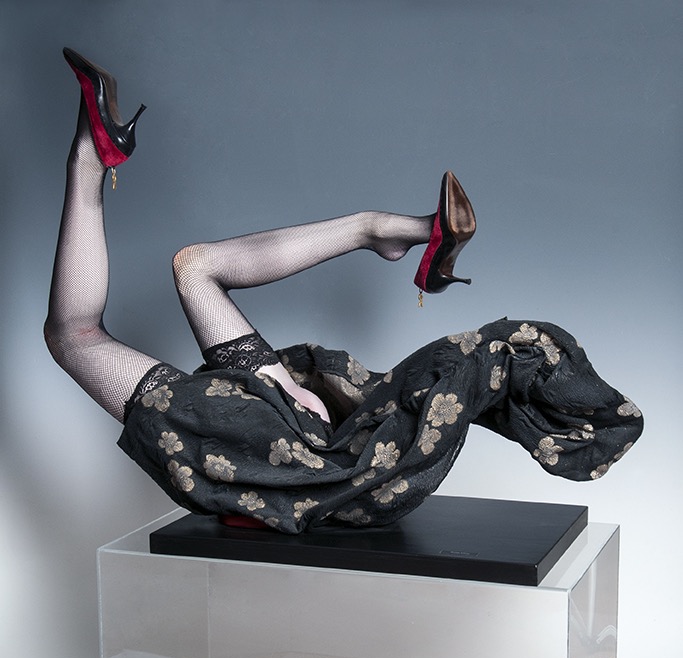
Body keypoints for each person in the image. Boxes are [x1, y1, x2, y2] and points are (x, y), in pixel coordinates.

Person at [45, 48, 643, 534]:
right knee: (182, 274)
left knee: (94, 324)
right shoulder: (376, 460)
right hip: (293, 434)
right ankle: (390, 229)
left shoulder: (368, 463)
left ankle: (376, 230)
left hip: (291, 445)